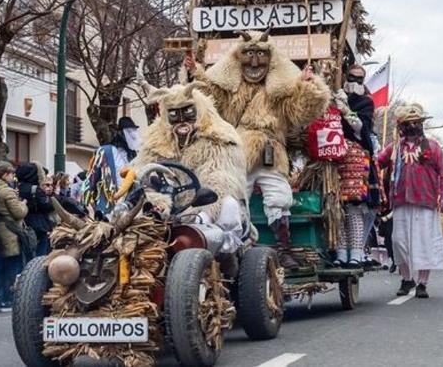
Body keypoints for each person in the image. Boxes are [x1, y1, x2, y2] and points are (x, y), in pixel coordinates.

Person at [189, 30, 330, 269]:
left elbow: (302, 110)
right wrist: (198, 73)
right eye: (249, 54)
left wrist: (308, 86)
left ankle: (283, 250)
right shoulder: (230, 89)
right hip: (239, 152)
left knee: (279, 197)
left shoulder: (280, 92)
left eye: (260, 55)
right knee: (234, 200)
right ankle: (239, 249)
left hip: (271, 151)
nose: (254, 62)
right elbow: (210, 100)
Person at [132, 82, 249, 276]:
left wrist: (202, 214)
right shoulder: (155, 142)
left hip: (206, 208)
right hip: (169, 211)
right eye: (174, 115)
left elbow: (219, 179)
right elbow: (142, 172)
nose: (181, 121)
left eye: (187, 112)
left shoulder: (219, 138)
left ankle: (223, 261)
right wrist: (155, 202)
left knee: (228, 207)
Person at [378, 103, 443, 298]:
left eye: (416, 122)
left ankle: (422, 283)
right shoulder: (394, 148)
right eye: (408, 123)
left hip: (425, 202)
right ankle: (407, 278)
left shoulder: (433, 146)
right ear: (401, 126)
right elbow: (377, 162)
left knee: (423, 243)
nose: (412, 126)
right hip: (400, 202)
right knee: (399, 242)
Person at [334, 65, 381, 266]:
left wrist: (345, 110)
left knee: (354, 208)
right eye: (352, 77)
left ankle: (355, 253)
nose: (355, 81)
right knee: (336, 208)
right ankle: (340, 253)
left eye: (360, 79)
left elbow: (361, 127)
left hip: (355, 157)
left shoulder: (365, 102)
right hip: (335, 157)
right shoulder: (335, 97)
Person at [0, 161, 28, 309]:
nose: (13, 177)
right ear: (6, 174)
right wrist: (23, 203)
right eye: (12, 174)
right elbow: (19, 212)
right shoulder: (6, 191)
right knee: (10, 266)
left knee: (1, 266)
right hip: (10, 231)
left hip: (1, 228)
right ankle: (5, 296)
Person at [17, 162, 54, 257]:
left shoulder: (19, 187)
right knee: (40, 254)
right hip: (39, 224)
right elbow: (47, 205)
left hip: (25, 222)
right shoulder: (36, 189)